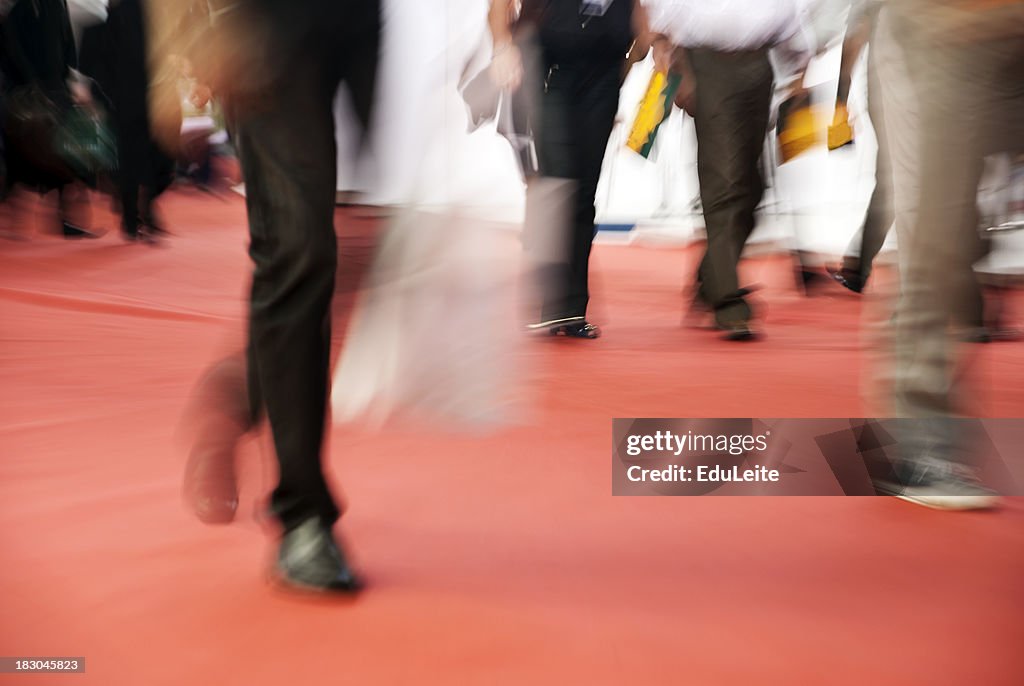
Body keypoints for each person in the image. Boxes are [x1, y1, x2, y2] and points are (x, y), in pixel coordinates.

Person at [156, 0, 381, 591]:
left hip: (377, 25)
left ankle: (235, 394)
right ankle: (302, 512)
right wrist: (178, 36)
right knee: (300, 250)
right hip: (269, 23)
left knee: (367, 249)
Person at [645, 0, 813, 340]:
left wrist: (798, 72)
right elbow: (660, 21)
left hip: (759, 64)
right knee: (723, 181)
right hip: (705, 63)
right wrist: (673, 69)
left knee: (753, 188)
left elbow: (791, 20)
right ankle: (728, 303)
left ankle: (711, 277)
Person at [488, 0, 649, 338]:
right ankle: (551, 302)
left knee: (584, 191)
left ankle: (572, 309)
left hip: (603, 77)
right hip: (551, 72)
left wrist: (629, 59)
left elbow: (642, 20)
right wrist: (502, 47)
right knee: (559, 182)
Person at [0, 0, 102, 239]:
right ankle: (17, 219)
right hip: (24, 93)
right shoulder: (17, 7)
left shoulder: (57, 2)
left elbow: (67, 43)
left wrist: (73, 79)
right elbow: (11, 49)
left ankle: (67, 219)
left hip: (56, 89)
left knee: (68, 153)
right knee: (21, 157)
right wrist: (31, 83)